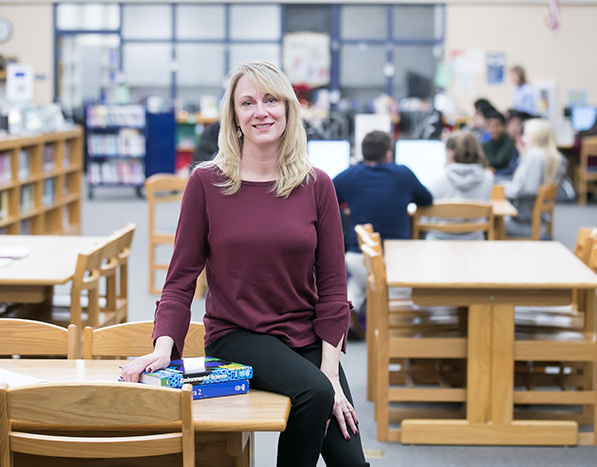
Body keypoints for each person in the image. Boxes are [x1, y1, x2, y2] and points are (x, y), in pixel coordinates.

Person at [122, 60, 368, 467]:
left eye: (271, 100)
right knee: (316, 394)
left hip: (306, 336)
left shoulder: (317, 184)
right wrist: (165, 345)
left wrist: (330, 371)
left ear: (288, 109)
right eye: (248, 102)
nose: (261, 111)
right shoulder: (206, 183)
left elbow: (333, 286)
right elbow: (181, 278)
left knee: (350, 456)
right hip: (239, 333)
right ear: (234, 116)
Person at [333, 130, 433, 335]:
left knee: (360, 281)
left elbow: (326, 195)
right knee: (398, 291)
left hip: (359, 258)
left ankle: (349, 308)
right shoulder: (403, 174)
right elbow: (427, 199)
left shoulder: (350, 175)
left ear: (363, 154)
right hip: (395, 261)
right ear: (389, 154)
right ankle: (399, 322)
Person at [426, 131, 495, 240]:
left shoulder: (438, 179)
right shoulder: (488, 178)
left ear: (450, 152)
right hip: (475, 242)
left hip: (438, 243)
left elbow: (424, 218)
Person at [502, 118, 562, 238]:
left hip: (524, 225)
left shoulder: (534, 157)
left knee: (487, 224)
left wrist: (502, 188)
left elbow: (527, 190)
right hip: (537, 222)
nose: (522, 139)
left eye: (525, 135)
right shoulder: (549, 156)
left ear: (536, 136)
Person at [482, 109, 516, 174]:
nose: (493, 129)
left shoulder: (510, 141)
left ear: (504, 126)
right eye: (489, 126)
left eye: (497, 125)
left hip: (506, 175)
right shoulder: (485, 139)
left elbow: (498, 161)